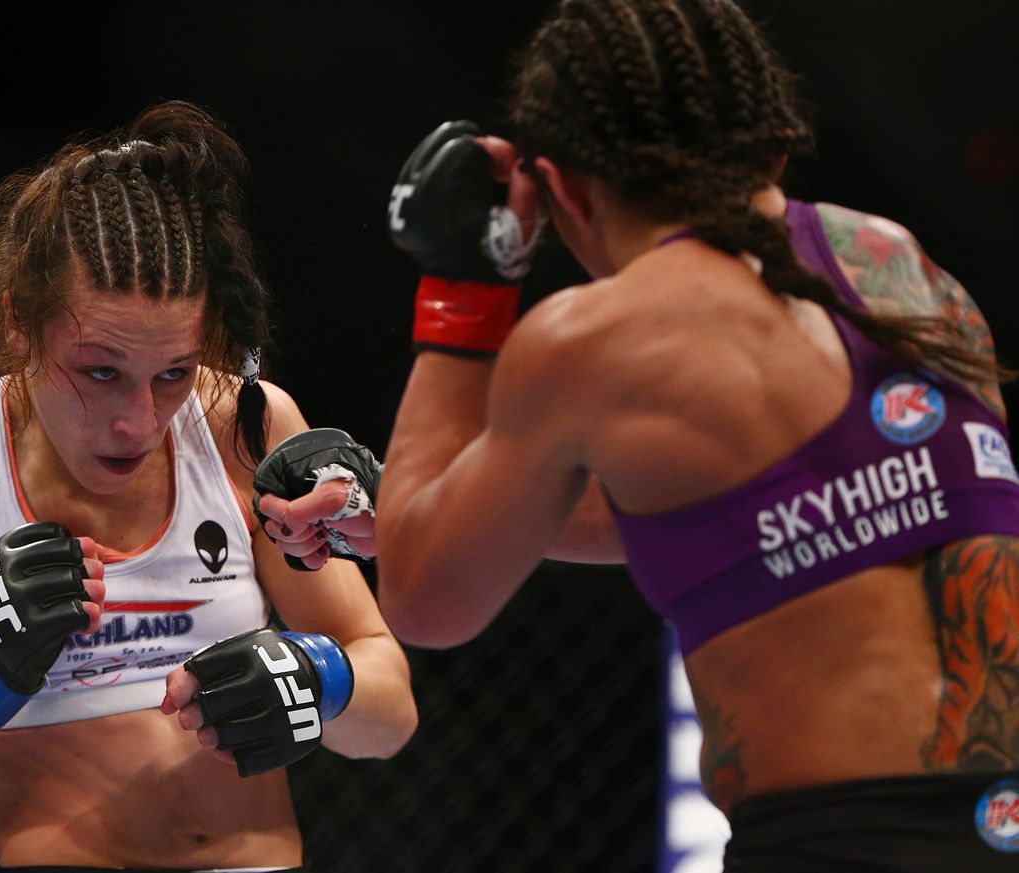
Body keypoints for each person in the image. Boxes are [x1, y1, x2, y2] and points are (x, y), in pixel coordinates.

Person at [253, 1, 1019, 869]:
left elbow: (428, 599)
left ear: (565, 193)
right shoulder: (896, 265)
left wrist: (467, 283)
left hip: (848, 841)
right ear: (772, 141)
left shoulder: (600, 335)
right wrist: (406, 498)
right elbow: (724, 515)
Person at [0, 100, 417, 872]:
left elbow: (389, 716)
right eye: (100, 372)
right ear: (20, 323)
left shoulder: (240, 427)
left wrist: (319, 677)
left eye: (173, 374)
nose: (137, 420)